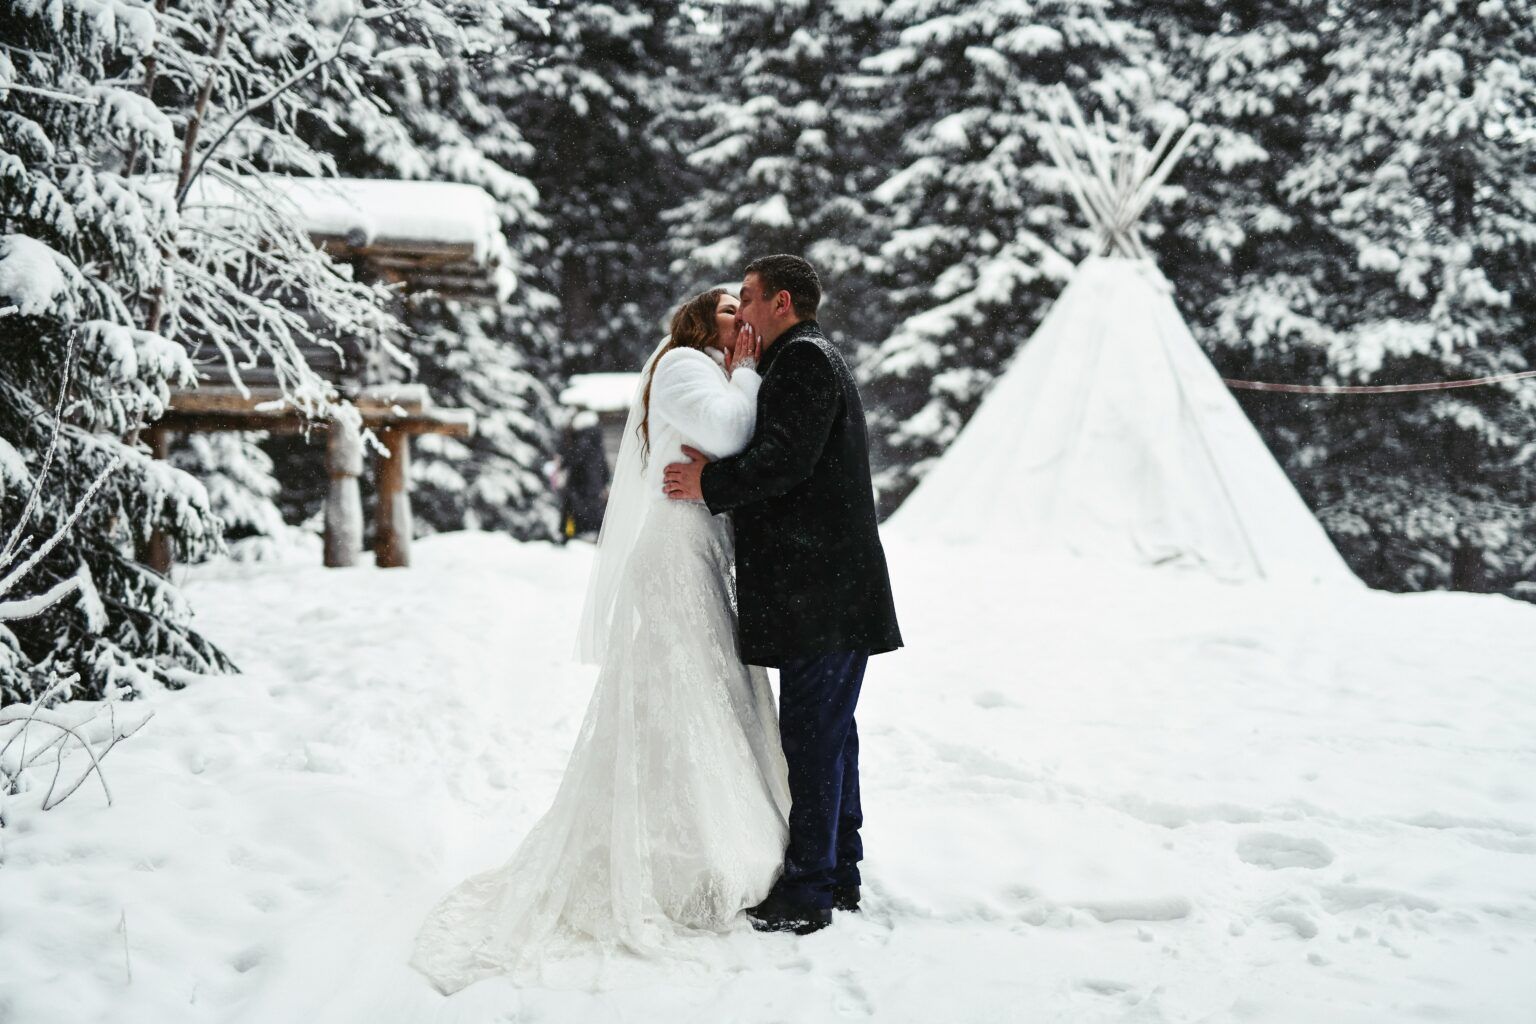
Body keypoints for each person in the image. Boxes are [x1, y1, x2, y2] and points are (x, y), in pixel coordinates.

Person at [409, 288, 790, 994]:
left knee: (710, 689)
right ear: (702, 323)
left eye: (747, 311)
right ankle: (686, 853)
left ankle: (714, 837)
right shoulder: (683, 365)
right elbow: (732, 434)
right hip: (673, 554)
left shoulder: (710, 366)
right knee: (682, 692)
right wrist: (745, 370)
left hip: (698, 546)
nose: (744, 322)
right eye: (731, 312)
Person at [663, 254, 903, 935]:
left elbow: (785, 461)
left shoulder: (802, 361)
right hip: (830, 591)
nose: (740, 309)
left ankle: (808, 892)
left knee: (813, 738)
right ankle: (838, 871)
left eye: (749, 296)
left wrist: (709, 485)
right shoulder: (804, 358)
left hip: (823, 592)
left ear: (783, 303)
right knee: (829, 736)